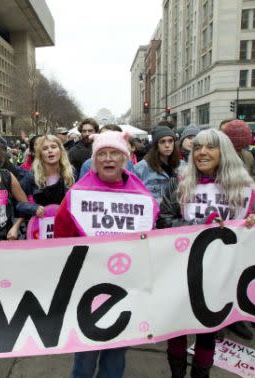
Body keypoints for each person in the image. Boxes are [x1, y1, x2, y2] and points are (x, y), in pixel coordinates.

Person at [157, 129, 255, 377]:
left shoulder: (246, 188)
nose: (202, 152)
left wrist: (253, 221)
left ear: (224, 151)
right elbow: (163, 220)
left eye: (210, 147)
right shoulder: (179, 182)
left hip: (221, 273)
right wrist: (197, 226)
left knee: (208, 330)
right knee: (178, 327)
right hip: (182, 268)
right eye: (198, 147)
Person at [54, 131, 159, 378]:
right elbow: (60, 242)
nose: (108, 159)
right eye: (102, 154)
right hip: (87, 288)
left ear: (125, 159)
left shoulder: (141, 195)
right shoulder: (77, 195)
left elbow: (152, 238)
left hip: (126, 288)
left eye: (114, 153)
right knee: (85, 356)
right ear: (94, 160)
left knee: (116, 355)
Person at [20, 134, 75, 208]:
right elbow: (19, 203)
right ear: (40, 154)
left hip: (64, 218)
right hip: (41, 219)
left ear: (61, 150)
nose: (50, 151)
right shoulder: (31, 176)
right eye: (45, 148)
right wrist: (33, 208)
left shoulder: (71, 172)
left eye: (53, 147)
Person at [133, 126, 183, 204]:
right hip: (155, 214)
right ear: (156, 145)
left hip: (178, 214)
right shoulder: (140, 169)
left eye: (170, 141)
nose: (167, 145)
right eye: (162, 141)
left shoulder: (182, 166)